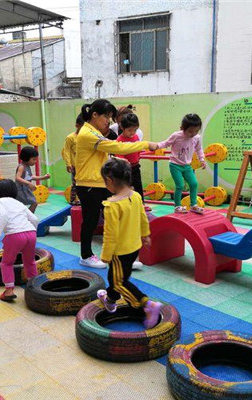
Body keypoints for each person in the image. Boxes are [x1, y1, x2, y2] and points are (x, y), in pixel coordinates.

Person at [75, 99, 158, 269]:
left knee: (119, 216)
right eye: (106, 117)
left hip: (102, 183)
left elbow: (102, 154)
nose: (108, 121)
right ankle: (86, 255)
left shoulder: (95, 132)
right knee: (90, 221)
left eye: (110, 117)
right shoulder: (86, 133)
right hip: (89, 184)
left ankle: (123, 256)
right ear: (95, 115)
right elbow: (116, 147)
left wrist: (115, 159)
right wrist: (145, 144)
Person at [96, 158, 162, 329]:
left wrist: (105, 256)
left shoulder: (112, 205)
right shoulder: (136, 196)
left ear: (109, 181)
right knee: (116, 277)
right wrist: (145, 235)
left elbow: (110, 234)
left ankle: (146, 304)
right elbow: (142, 217)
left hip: (119, 252)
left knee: (119, 282)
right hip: (134, 247)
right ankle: (110, 301)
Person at [0, 179, 39, 302]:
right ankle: (35, 287)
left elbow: (3, 216)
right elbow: (34, 219)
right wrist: (32, 232)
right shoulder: (18, 202)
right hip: (31, 233)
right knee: (30, 261)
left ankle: (9, 290)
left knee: (6, 263)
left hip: (14, 235)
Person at [158, 113, 206, 214]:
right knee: (179, 185)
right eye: (190, 131)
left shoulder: (196, 138)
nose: (193, 134)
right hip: (175, 165)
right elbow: (166, 143)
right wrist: (156, 146)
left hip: (187, 166)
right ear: (182, 128)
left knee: (194, 183)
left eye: (196, 131)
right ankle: (177, 206)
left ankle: (193, 205)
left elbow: (199, 149)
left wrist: (202, 160)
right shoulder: (177, 135)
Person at [116, 113, 150, 211]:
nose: (132, 133)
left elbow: (138, 149)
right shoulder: (120, 140)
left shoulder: (135, 137)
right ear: (122, 128)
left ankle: (141, 204)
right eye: (129, 130)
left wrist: (138, 156)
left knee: (138, 185)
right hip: (125, 169)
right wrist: (126, 162)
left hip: (135, 166)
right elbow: (119, 155)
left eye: (135, 130)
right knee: (127, 187)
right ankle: (128, 205)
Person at [15, 146, 50, 213]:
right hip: (20, 190)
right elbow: (18, 177)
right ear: (27, 158)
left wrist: (43, 177)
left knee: (32, 203)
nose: (35, 161)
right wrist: (28, 183)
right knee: (33, 203)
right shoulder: (21, 167)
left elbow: (31, 177)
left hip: (25, 190)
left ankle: (27, 217)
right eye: (33, 159)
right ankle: (28, 217)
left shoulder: (27, 166)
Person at [62, 114, 84, 205]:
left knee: (83, 184)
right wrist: (68, 164)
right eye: (82, 127)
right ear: (77, 125)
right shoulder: (70, 137)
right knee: (75, 184)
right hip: (75, 165)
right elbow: (66, 151)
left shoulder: (86, 137)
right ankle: (72, 201)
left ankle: (82, 200)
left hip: (85, 165)